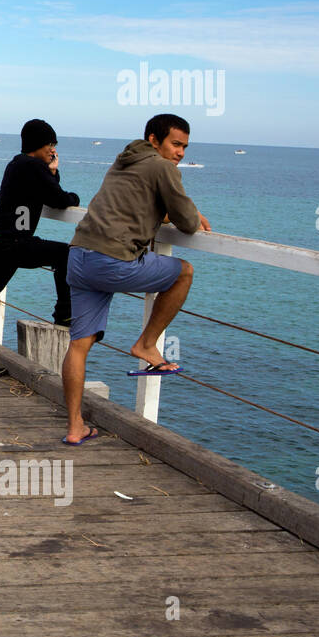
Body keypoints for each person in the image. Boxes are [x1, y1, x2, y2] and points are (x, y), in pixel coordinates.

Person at [60, 113, 211, 445]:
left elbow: (137, 204)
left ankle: (75, 428)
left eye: (185, 146)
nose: (180, 153)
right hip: (111, 260)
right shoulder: (162, 167)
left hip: (79, 255)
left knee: (79, 345)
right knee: (183, 272)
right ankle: (146, 344)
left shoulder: (123, 162)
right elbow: (187, 223)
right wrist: (193, 214)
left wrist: (167, 212)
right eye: (175, 144)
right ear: (155, 140)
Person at [0, 119, 79, 377]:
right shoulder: (33, 166)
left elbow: (43, 192)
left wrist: (50, 173)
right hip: (11, 243)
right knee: (67, 254)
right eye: (50, 144)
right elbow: (58, 199)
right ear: (38, 144)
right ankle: (64, 316)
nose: (53, 149)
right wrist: (71, 194)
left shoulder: (17, 163)